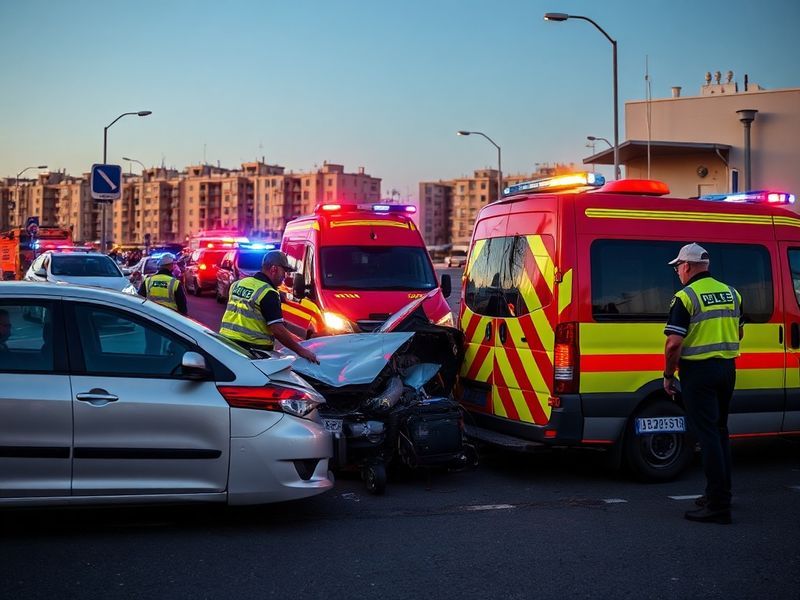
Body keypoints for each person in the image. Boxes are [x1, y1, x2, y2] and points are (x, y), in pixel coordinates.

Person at [663, 243, 743, 525]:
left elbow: (674, 343)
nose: (677, 272)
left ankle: (718, 506)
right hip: (727, 369)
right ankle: (720, 493)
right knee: (720, 433)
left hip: (699, 372)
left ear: (686, 266)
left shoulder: (685, 296)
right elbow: (738, 331)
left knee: (707, 435)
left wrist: (668, 374)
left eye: (678, 268)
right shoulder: (733, 293)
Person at [219, 250, 318, 363]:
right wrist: (302, 351)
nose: (285, 276)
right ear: (274, 269)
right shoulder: (268, 293)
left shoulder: (238, 284)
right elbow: (277, 330)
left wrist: (299, 341)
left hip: (227, 346)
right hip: (253, 353)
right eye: (284, 271)